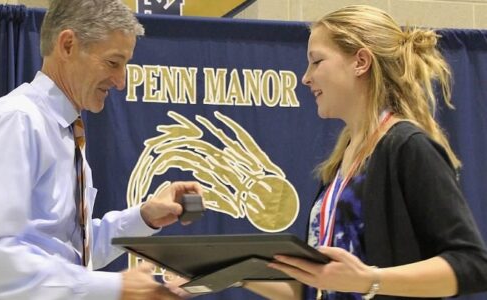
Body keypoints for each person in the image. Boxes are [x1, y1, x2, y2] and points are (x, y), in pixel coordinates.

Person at [165, 5, 487, 300]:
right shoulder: (342, 161)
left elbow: (472, 266)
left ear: (361, 62)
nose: (306, 77)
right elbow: (312, 286)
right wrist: (229, 273)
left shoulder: (407, 147)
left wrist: (369, 280)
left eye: (317, 61)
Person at [0, 0, 202, 299]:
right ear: (67, 45)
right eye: (113, 63)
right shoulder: (18, 122)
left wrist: (144, 217)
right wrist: (117, 287)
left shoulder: (65, 132)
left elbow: (68, 251)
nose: (121, 82)